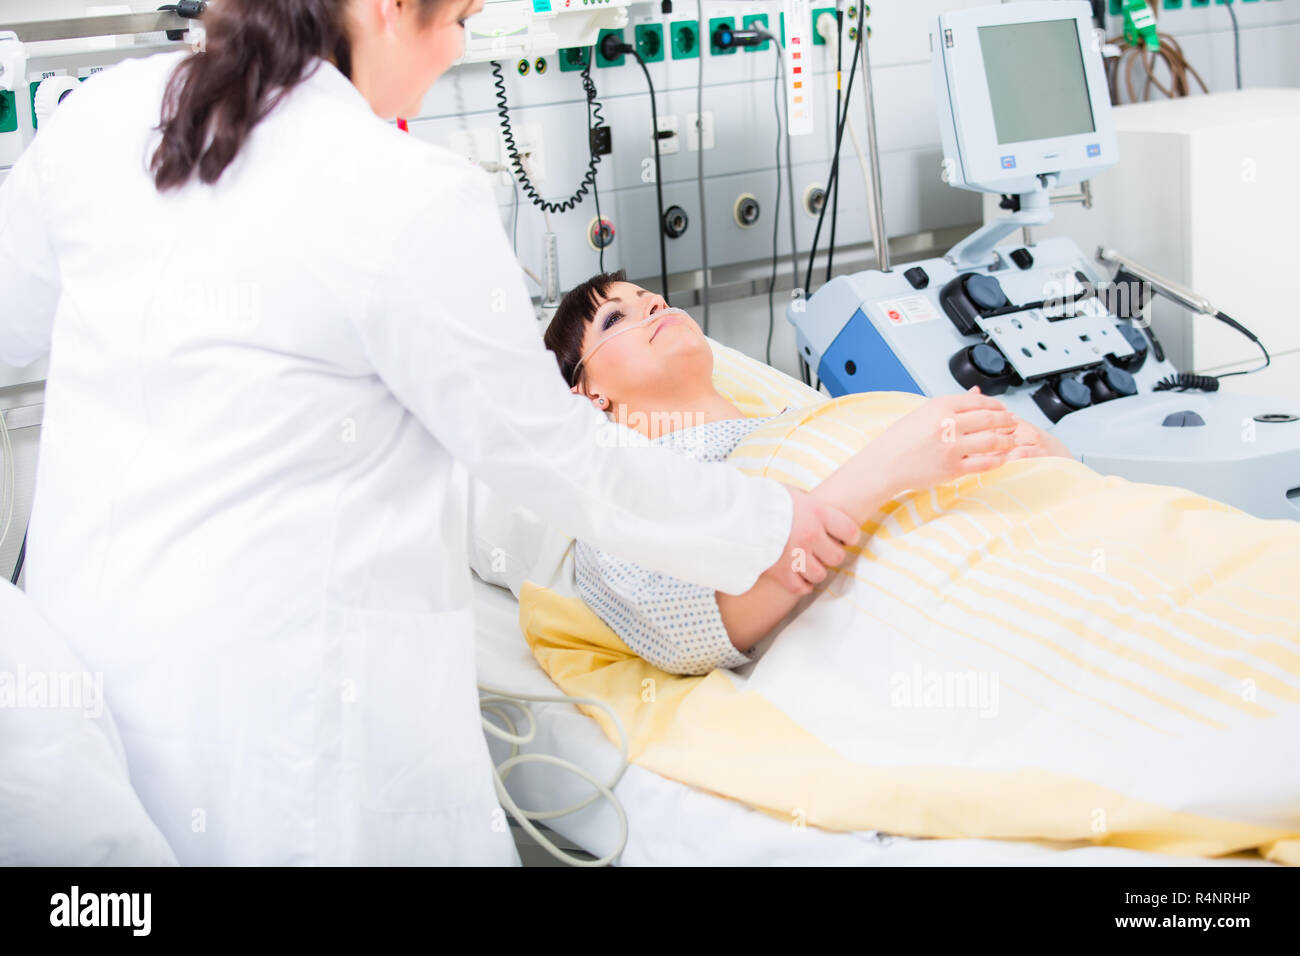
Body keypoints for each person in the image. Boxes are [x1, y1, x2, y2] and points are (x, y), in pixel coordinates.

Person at [0, 0, 861, 865]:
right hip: (293, 724)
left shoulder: (105, 116)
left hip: (90, 682)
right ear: (385, 9)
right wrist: (766, 523)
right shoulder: (400, 192)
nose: (457, 46)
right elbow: (556, 457)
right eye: (459, 17)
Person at [544, 271, 1071, 674]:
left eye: (648, 298)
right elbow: (687, 631)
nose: (653, 304)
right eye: (615, 319)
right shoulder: (625, 494)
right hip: (988, 621)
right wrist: (889, 466)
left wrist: (1035, 450)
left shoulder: (803, 417)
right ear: (590, 394)